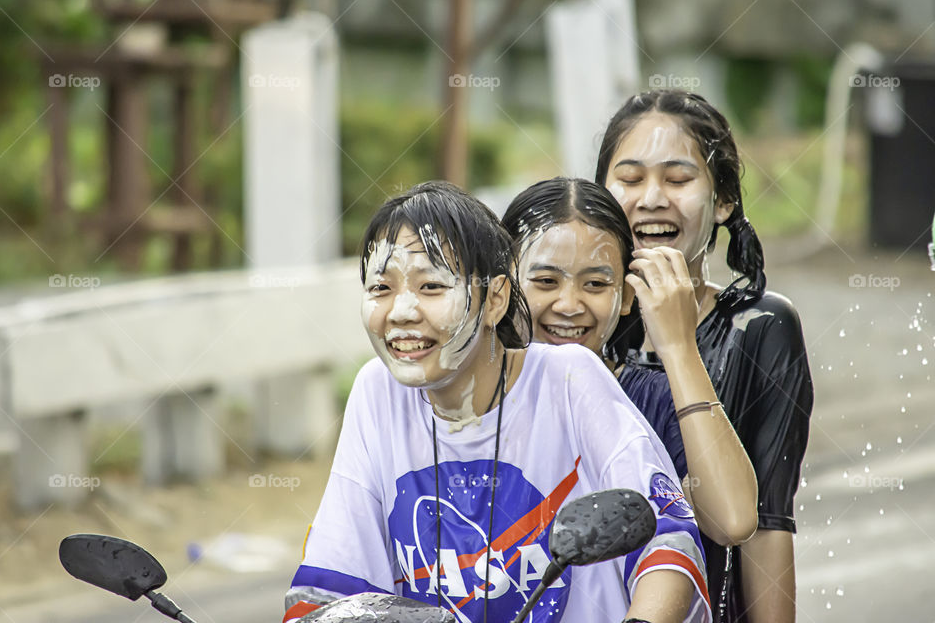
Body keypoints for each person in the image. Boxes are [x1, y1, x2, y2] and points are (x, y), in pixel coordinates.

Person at [284, 181, 711, 623]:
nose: (402, 312)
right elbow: (327, 592)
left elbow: (667, 543)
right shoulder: (378, 390)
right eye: (380, 288)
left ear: (496, 299)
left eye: (431, 286)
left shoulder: (570, 377)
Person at [595, 89, 814, 623]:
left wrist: (675, 341)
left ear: (723, 202)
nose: (651, 198)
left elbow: (761, 527)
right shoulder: (576, 322)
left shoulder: (759, 327)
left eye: (677, 179)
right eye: (629, 179)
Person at [502, 176, 757, 550]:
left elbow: (733, 520)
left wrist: (679, 346)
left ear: (624, 297)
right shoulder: (467, 399)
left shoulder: (652, 399)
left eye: (595, 285)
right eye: (545, 281)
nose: (570, 305)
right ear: (502, 288)